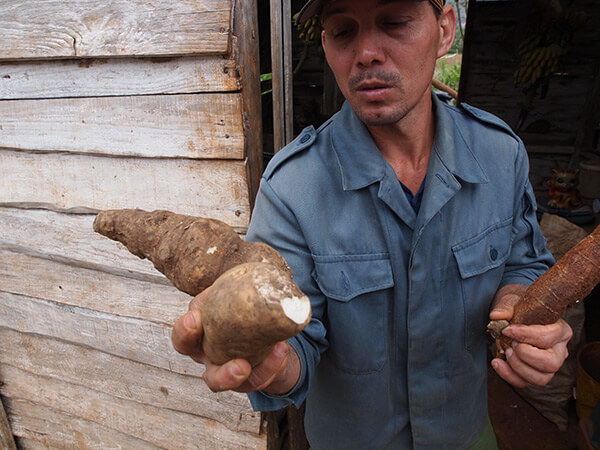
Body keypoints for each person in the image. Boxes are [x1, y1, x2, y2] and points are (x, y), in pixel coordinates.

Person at [172, 0, 573, 447]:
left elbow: (523, 262)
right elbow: (295, 342)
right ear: (326, 46)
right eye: (344, 31)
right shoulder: (293, 188)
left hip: (465, 435)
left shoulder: (501, 155)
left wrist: (521, 307)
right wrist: (271, 364)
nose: (366, 53)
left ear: (444, 31)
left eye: (395, 22)